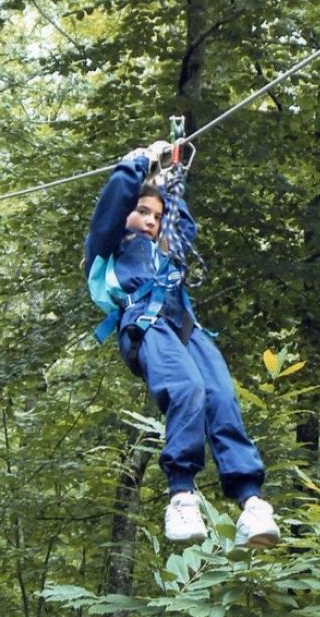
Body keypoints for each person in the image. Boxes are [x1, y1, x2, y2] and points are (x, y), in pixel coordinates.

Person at [84, 143, 280, 548]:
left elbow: (182, 228)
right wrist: (139, 161)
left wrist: (173, 182)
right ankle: (181, 495)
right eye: (142, 211)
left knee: (220, 396)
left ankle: (251, 501)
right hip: (144, 323)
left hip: (185, 328)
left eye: (156, 216)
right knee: (186, 388)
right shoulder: (108, 249)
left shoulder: (167, 254)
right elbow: (114, 201)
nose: (151, 220)